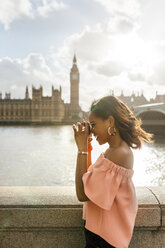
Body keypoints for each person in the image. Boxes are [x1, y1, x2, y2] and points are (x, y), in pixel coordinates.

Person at [72, 94, 154, 248]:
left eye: (93, 124)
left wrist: (81, 150)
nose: (92, 130)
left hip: (105, 240)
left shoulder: (120, 153)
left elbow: (83, 194)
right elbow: (89, 179)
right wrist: (87, 148)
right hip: (99, 235)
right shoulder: (112, 150)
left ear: (110, 121)